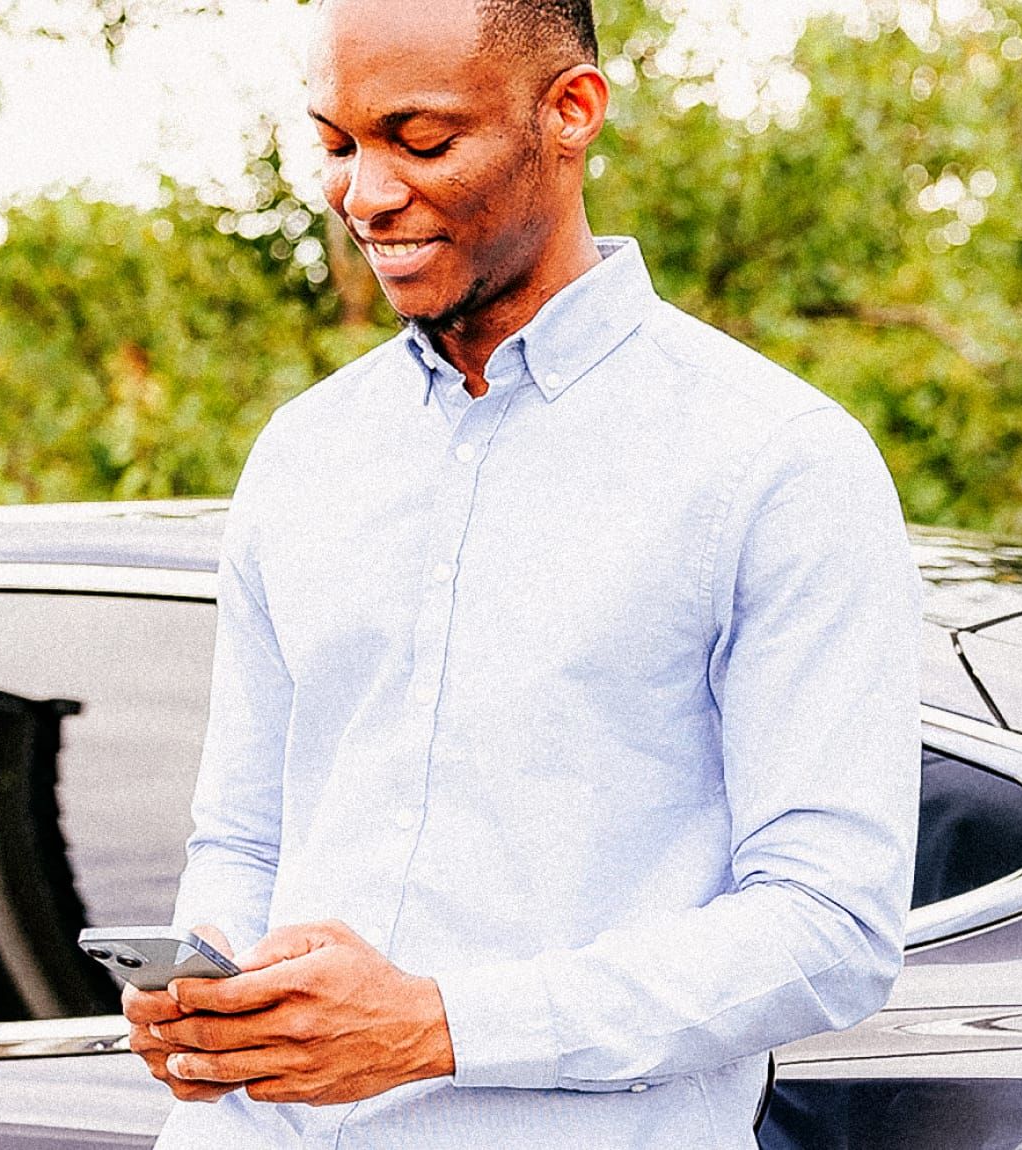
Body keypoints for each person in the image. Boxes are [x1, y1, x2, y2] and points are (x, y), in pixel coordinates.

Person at [122, 0, 922, 1144]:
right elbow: (246, 839)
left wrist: (441, 1024)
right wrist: (206, 990)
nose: (366, 194)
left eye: (422, 138)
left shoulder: (778, 463)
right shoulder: (301, 456)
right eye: (338, 144)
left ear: (571, 113)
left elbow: (827, 926)